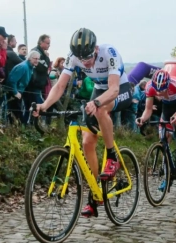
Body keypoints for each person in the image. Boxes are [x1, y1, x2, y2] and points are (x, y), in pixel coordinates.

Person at [32, 28, 132, 217]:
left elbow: (113, 89)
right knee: (87, 142)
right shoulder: (73, 57)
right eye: (81, 59)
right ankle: (95, 194)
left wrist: (96, 102)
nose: (85, 62)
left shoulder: (108, 53)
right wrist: (44, 105)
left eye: (88, 57)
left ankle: (112, 157)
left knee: (102, 109)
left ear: (95, 48)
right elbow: (60, 85)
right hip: (98, 89)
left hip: (120, 89)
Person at [136, 69, 176, 183]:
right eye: (157, 89)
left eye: (162, 89)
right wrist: (142, 119)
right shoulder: (149, 87)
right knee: (164, 139)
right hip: (167, 107)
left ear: (167, 84)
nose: (159, 92)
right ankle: (168, 175)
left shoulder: (175, 83)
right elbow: (148, 109)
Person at [5, 51, 40, 124]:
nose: (37, 61)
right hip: (14, 92)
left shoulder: (30, 67)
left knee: (18, 111)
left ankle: (18, 127)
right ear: (30, 58)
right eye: (35, 59)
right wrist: (15, 92)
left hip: (20, 91)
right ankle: (17, 128)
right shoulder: (23, 67)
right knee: (15, 111)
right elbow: (12, 80)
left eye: (38, 59)